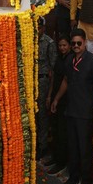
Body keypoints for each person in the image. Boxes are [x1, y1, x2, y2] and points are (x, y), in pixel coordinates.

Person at [51, 28, 93, 184]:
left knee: (84, 149)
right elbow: (66, 80)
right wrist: (57, 99)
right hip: (71, 111)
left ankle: (86, 183)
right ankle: (73, 179)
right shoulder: (69, 60)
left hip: (86, 113)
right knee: (72, 147)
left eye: (78, 43)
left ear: (85, 42)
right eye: (73, 43)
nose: (75, 46)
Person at [46, 35, 71, 175]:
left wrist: (56, 98)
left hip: (64, 99)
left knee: (62, 132)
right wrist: (50, 96)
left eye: (64, 45)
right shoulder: (59, 59)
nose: (62, 48)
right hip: (55, 95)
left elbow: (65, 82)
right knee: (54, 129)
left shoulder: (70, 59)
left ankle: (61, 162)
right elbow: (54, 78)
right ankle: (55, 158)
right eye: (60, 45)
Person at [36, 17, 57, 159]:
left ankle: (42, 146)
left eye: (39, 27)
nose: (37, 30)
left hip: (43, 81)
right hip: (31, 81)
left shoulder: (49, 43)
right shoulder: (28, 40)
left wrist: (50, 93)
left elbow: (53, 68)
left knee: (42, 115)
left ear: (43, 28)